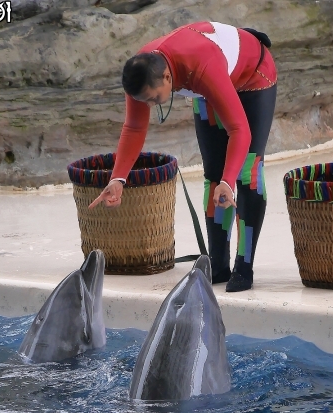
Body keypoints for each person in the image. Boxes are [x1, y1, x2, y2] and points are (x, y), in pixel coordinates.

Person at [88, 21, 277, 292]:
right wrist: (118, 178)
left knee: (247, 171)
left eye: (153, 99)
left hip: (253, 77)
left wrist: (229, 180)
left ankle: (244, 266)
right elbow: (134, 127)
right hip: (207, 86)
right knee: (212, 175)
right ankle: (219, 265)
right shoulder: (142, 72)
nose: (150, 106)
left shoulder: (200, 66)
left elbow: (240, 131)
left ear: (167, 78)